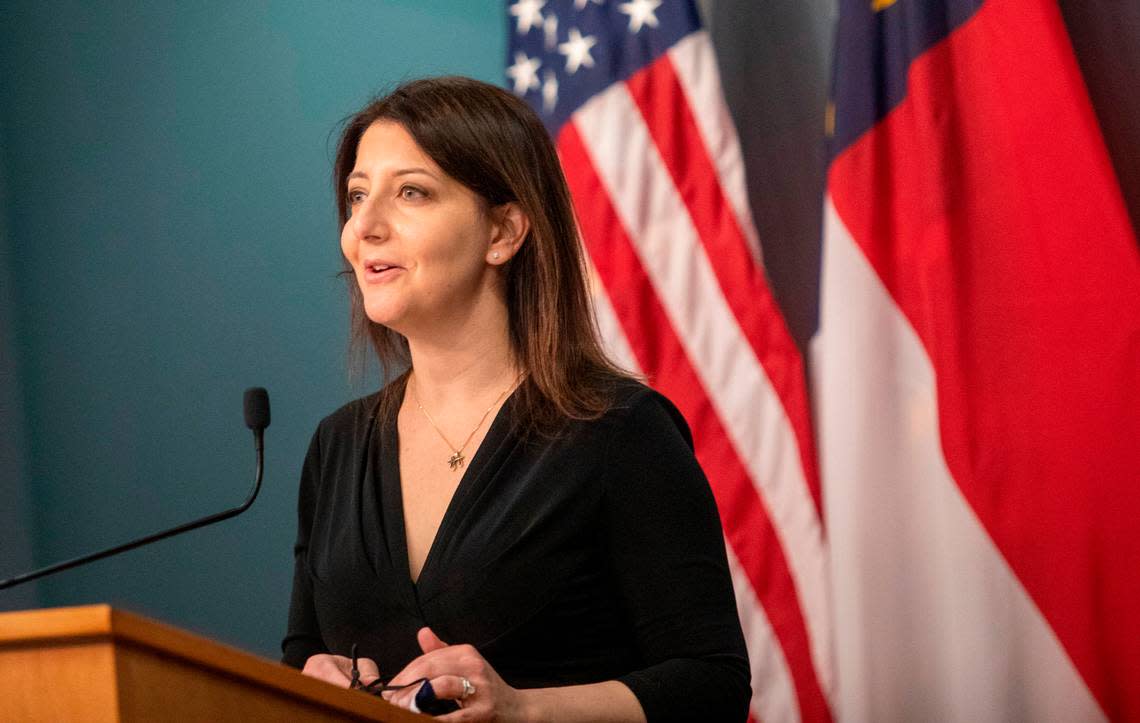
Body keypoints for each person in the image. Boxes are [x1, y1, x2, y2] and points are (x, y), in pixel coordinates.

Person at [281, 76, 751, 722]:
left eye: (410, 192)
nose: (363, 226)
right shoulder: (335, 448)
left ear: (503, 232)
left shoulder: (621, 432)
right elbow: (302, 654)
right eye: (357, 197)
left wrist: (522, 708)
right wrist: (312, 681)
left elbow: (712, 684)